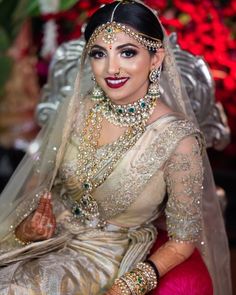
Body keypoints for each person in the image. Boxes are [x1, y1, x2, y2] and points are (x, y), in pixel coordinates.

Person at [0, 1, 232, 294]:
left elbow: (183, 241)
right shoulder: (79, 109)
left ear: (156, 57)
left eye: (127, 52)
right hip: (46, 242)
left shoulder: (178, 140)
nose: (111, 68)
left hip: (102, 258)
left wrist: (130, 285)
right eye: (99, 54)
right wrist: (27, 230)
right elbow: (41, 187)